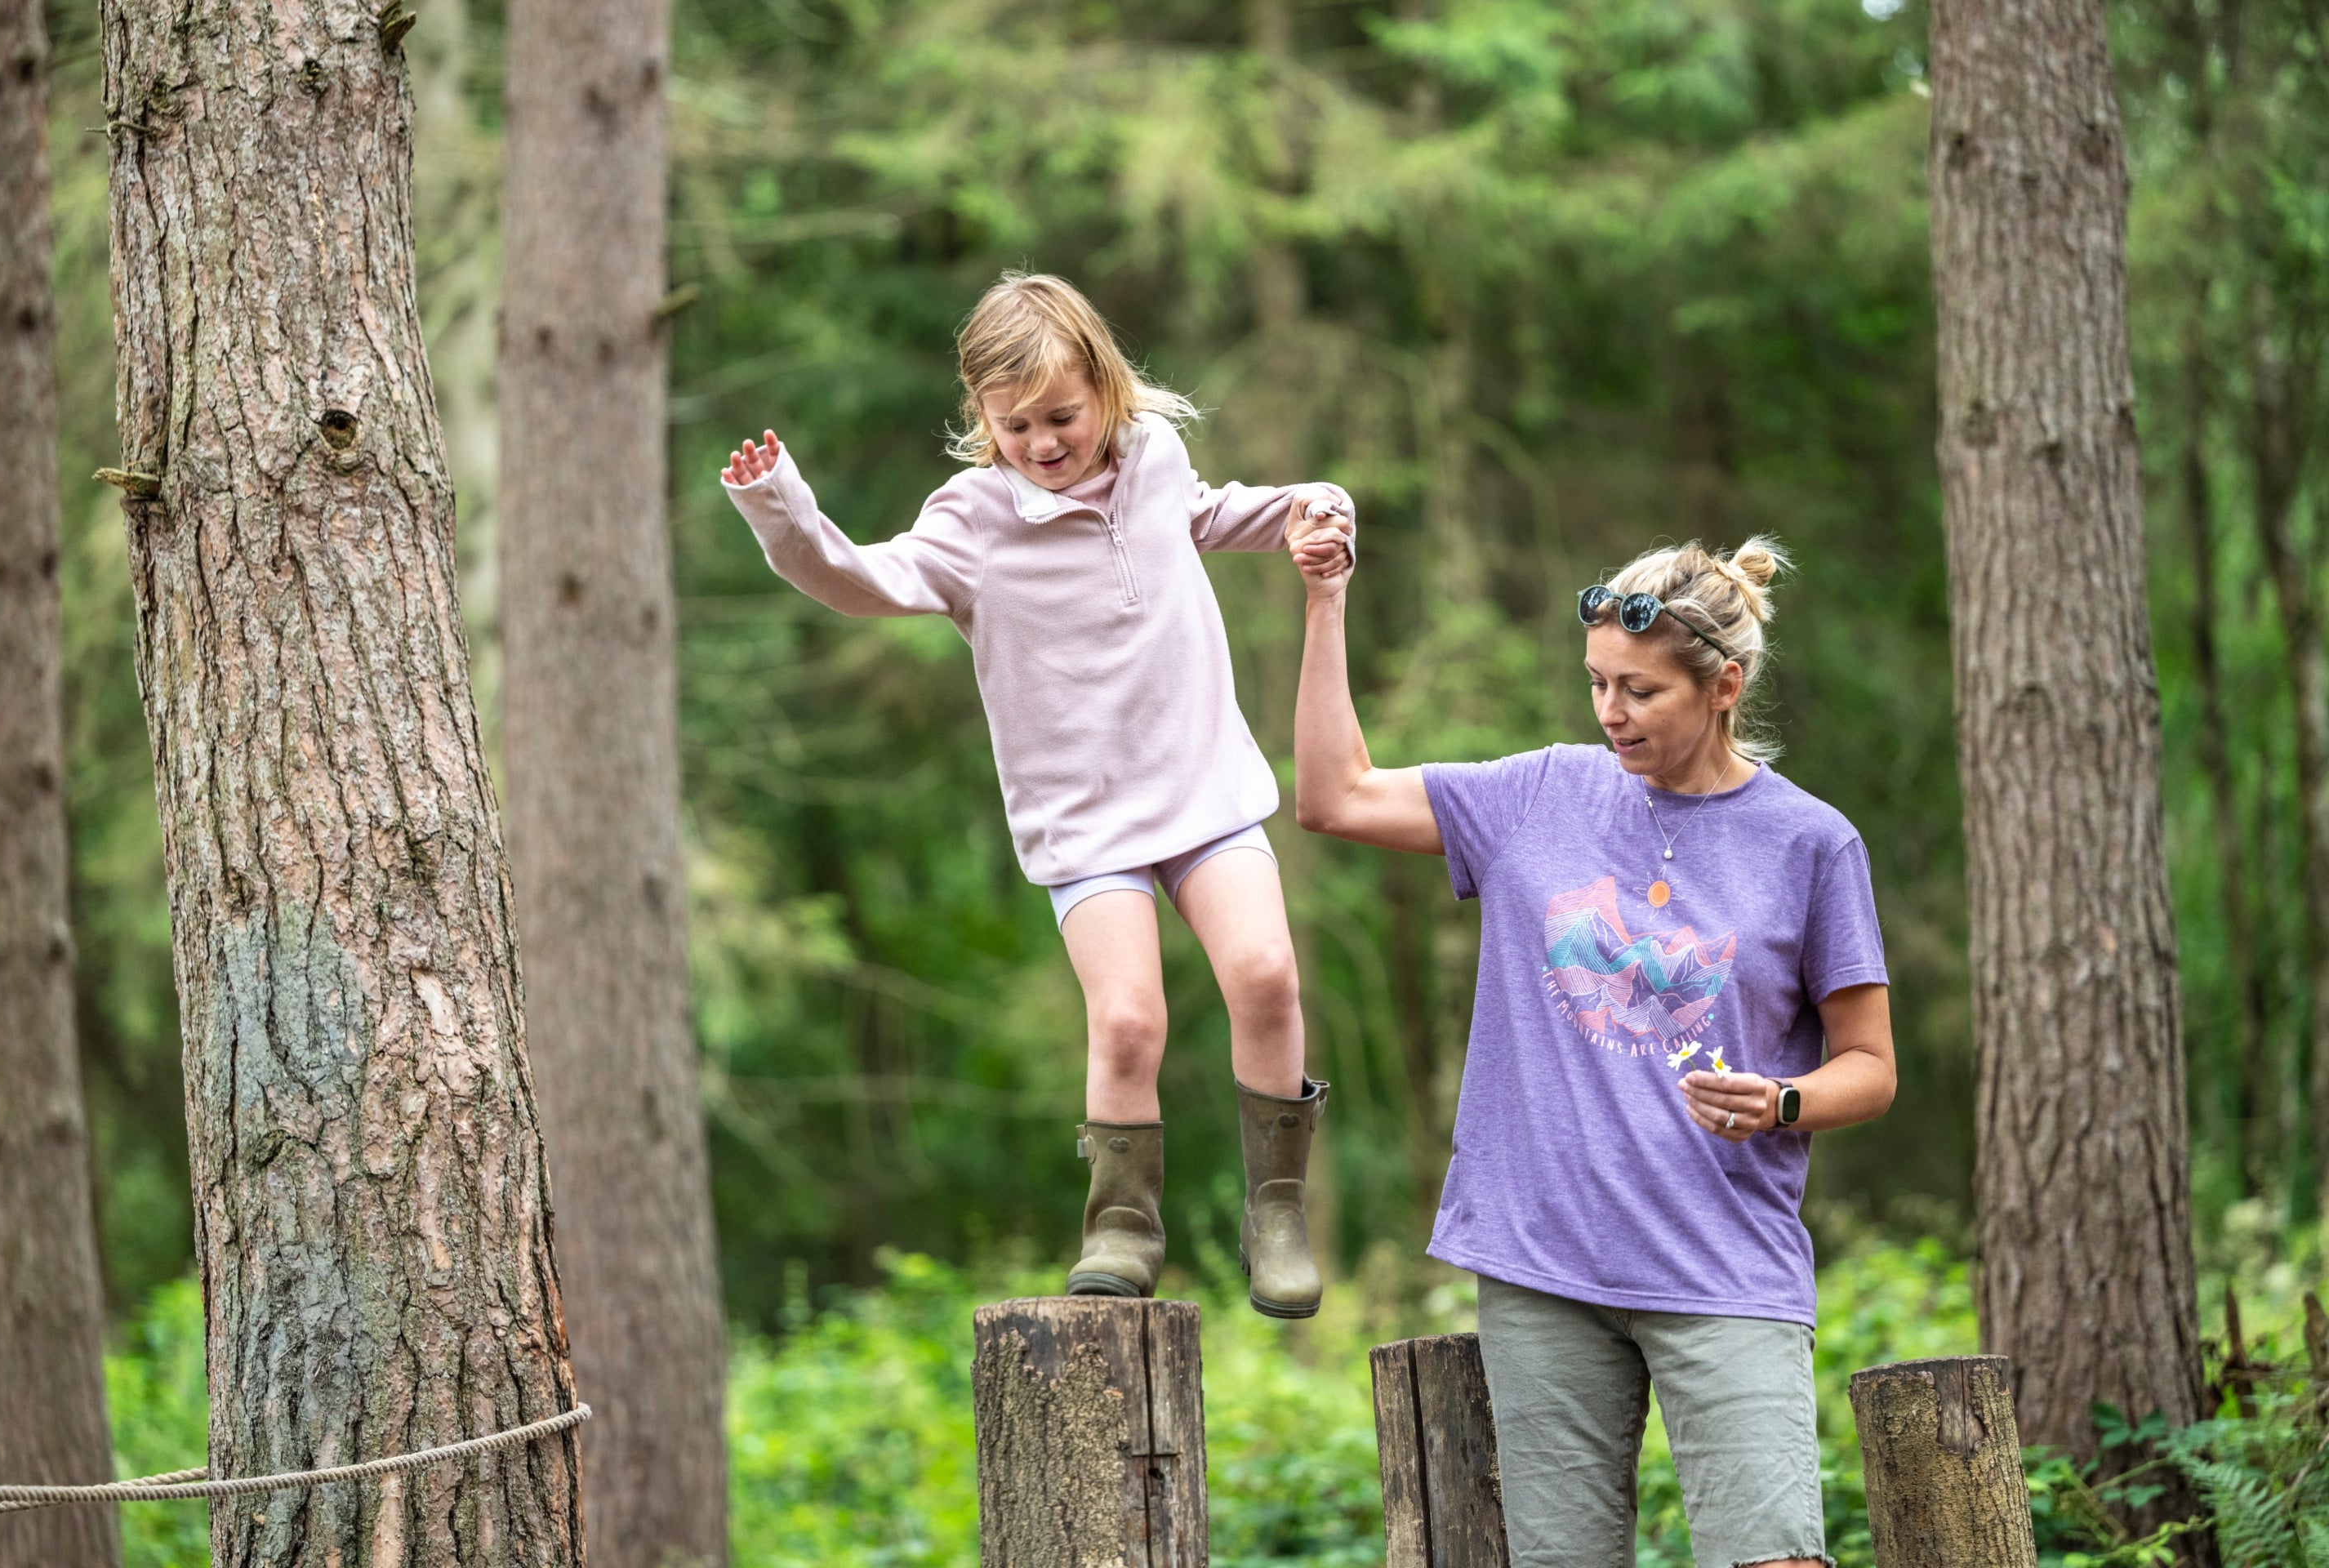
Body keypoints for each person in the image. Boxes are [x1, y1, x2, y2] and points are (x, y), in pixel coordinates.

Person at [720, 272, 1355, 1316]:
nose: (1044, 442)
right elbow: (859, 579)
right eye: (1017, 425)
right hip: (1084, 821)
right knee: (1126, 1023)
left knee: (1267, 971)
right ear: (985, 418)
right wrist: (782, 507)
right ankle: (1122, 1222)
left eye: (1063, 416)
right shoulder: (971, 520)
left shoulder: (1155, 460)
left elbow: (1204, 515)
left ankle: (1277, 1210)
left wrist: (1309, 509)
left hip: (1200, 783)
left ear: (1106, 390)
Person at [1289, 523, 1895, 1566]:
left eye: (1641, 691)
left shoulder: (1812, 843)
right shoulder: (1540, 794)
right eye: (1598, 684)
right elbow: (1332, 797)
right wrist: (1325, 599)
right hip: (1546, 1271)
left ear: (1724, 686)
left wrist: (1784, 1101)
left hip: (1723, 1268)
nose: (1612, 713)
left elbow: (1871, 1067)